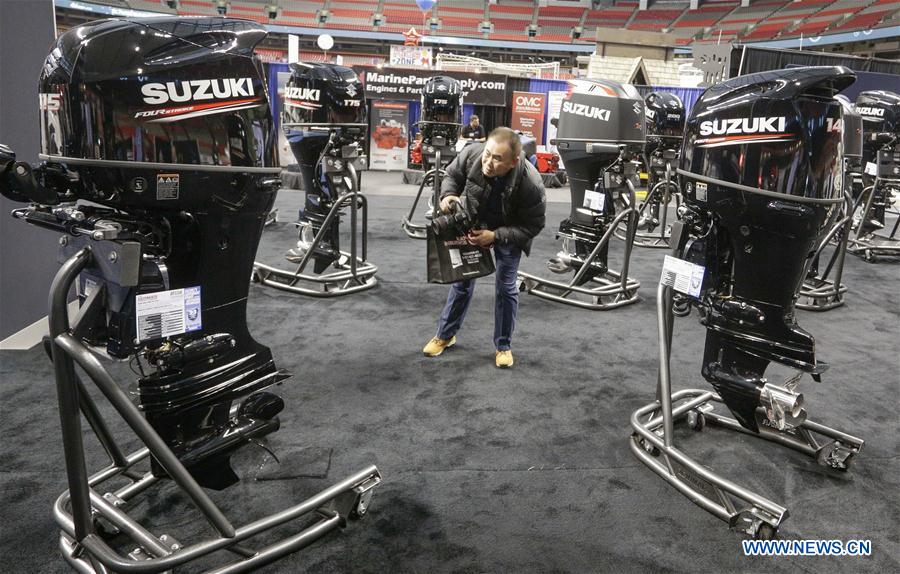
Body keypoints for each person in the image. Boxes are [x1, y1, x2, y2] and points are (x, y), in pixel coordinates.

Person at [423, 127, 546, 368]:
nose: (488, 162)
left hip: (507, 231)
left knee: (506, 288)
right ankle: (446, 335)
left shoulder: (531, 183)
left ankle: (503, 346)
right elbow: (452, 175)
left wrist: (496, 236)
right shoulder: (473, 154)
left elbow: (532, 226)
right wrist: (448, 196)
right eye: (488, 154)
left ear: (513, 162)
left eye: (497, 159)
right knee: (462, 282)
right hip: (473, 221)